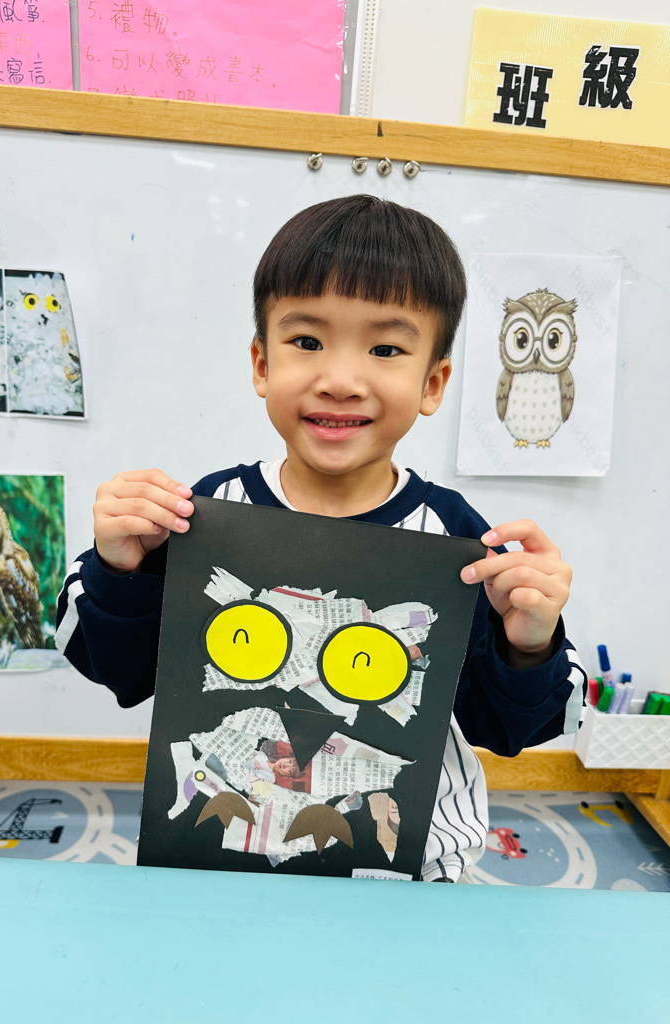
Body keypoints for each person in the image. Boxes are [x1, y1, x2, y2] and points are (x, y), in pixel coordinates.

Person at [56, 195, 586, 883]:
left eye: (385, 349)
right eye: (306, 342)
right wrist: (118, 569)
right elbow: (117, 670)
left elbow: (509, 728)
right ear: (261, 364)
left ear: (432, 383)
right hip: (222, 850)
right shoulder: (202, 515)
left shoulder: (459, 537)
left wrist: (530, 645)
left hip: (409, 871)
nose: (340, 381)